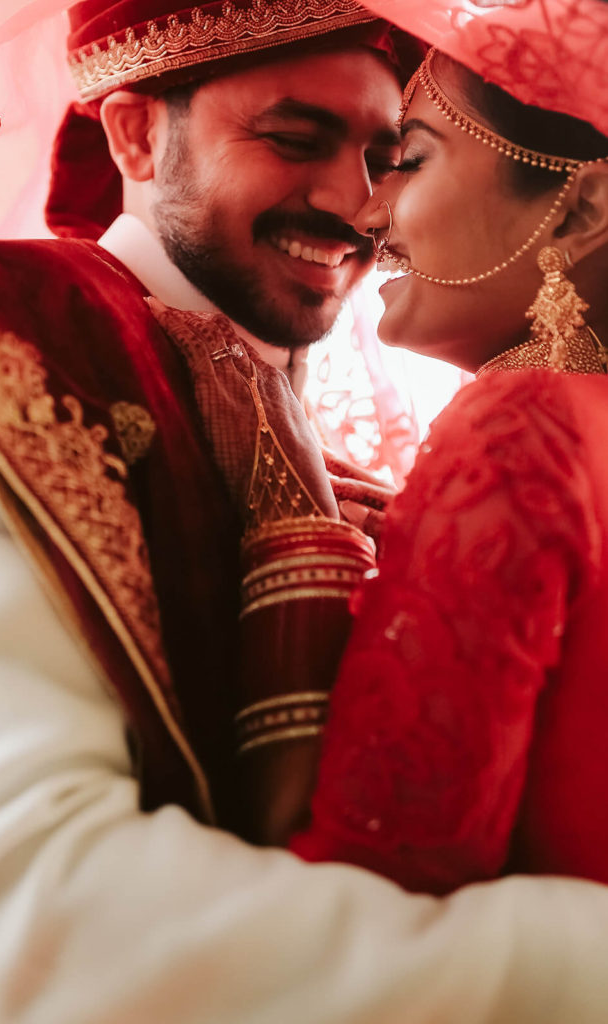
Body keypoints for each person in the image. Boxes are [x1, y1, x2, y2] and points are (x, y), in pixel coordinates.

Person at [0, 0, 607, 1021]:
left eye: (390, 157)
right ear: (132, 133)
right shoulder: (12, 344)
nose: (356, 202)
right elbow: (12, 924)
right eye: (293, 140)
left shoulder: (350, 476)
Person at [292, 3, 608, 898]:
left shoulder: (521, 421)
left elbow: (387, 869)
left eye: (409, 161)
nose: (364, 211)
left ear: (580, 206)